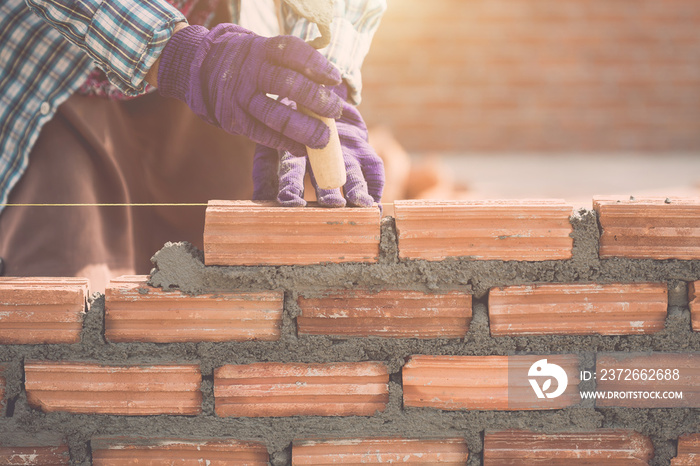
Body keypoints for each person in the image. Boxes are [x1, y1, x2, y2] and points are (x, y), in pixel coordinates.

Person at [0, 0, 386, 291]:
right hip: (62, 75)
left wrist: (322, 80)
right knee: (70, 306)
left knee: (232, 300)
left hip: (228, 80)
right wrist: (184, 55)